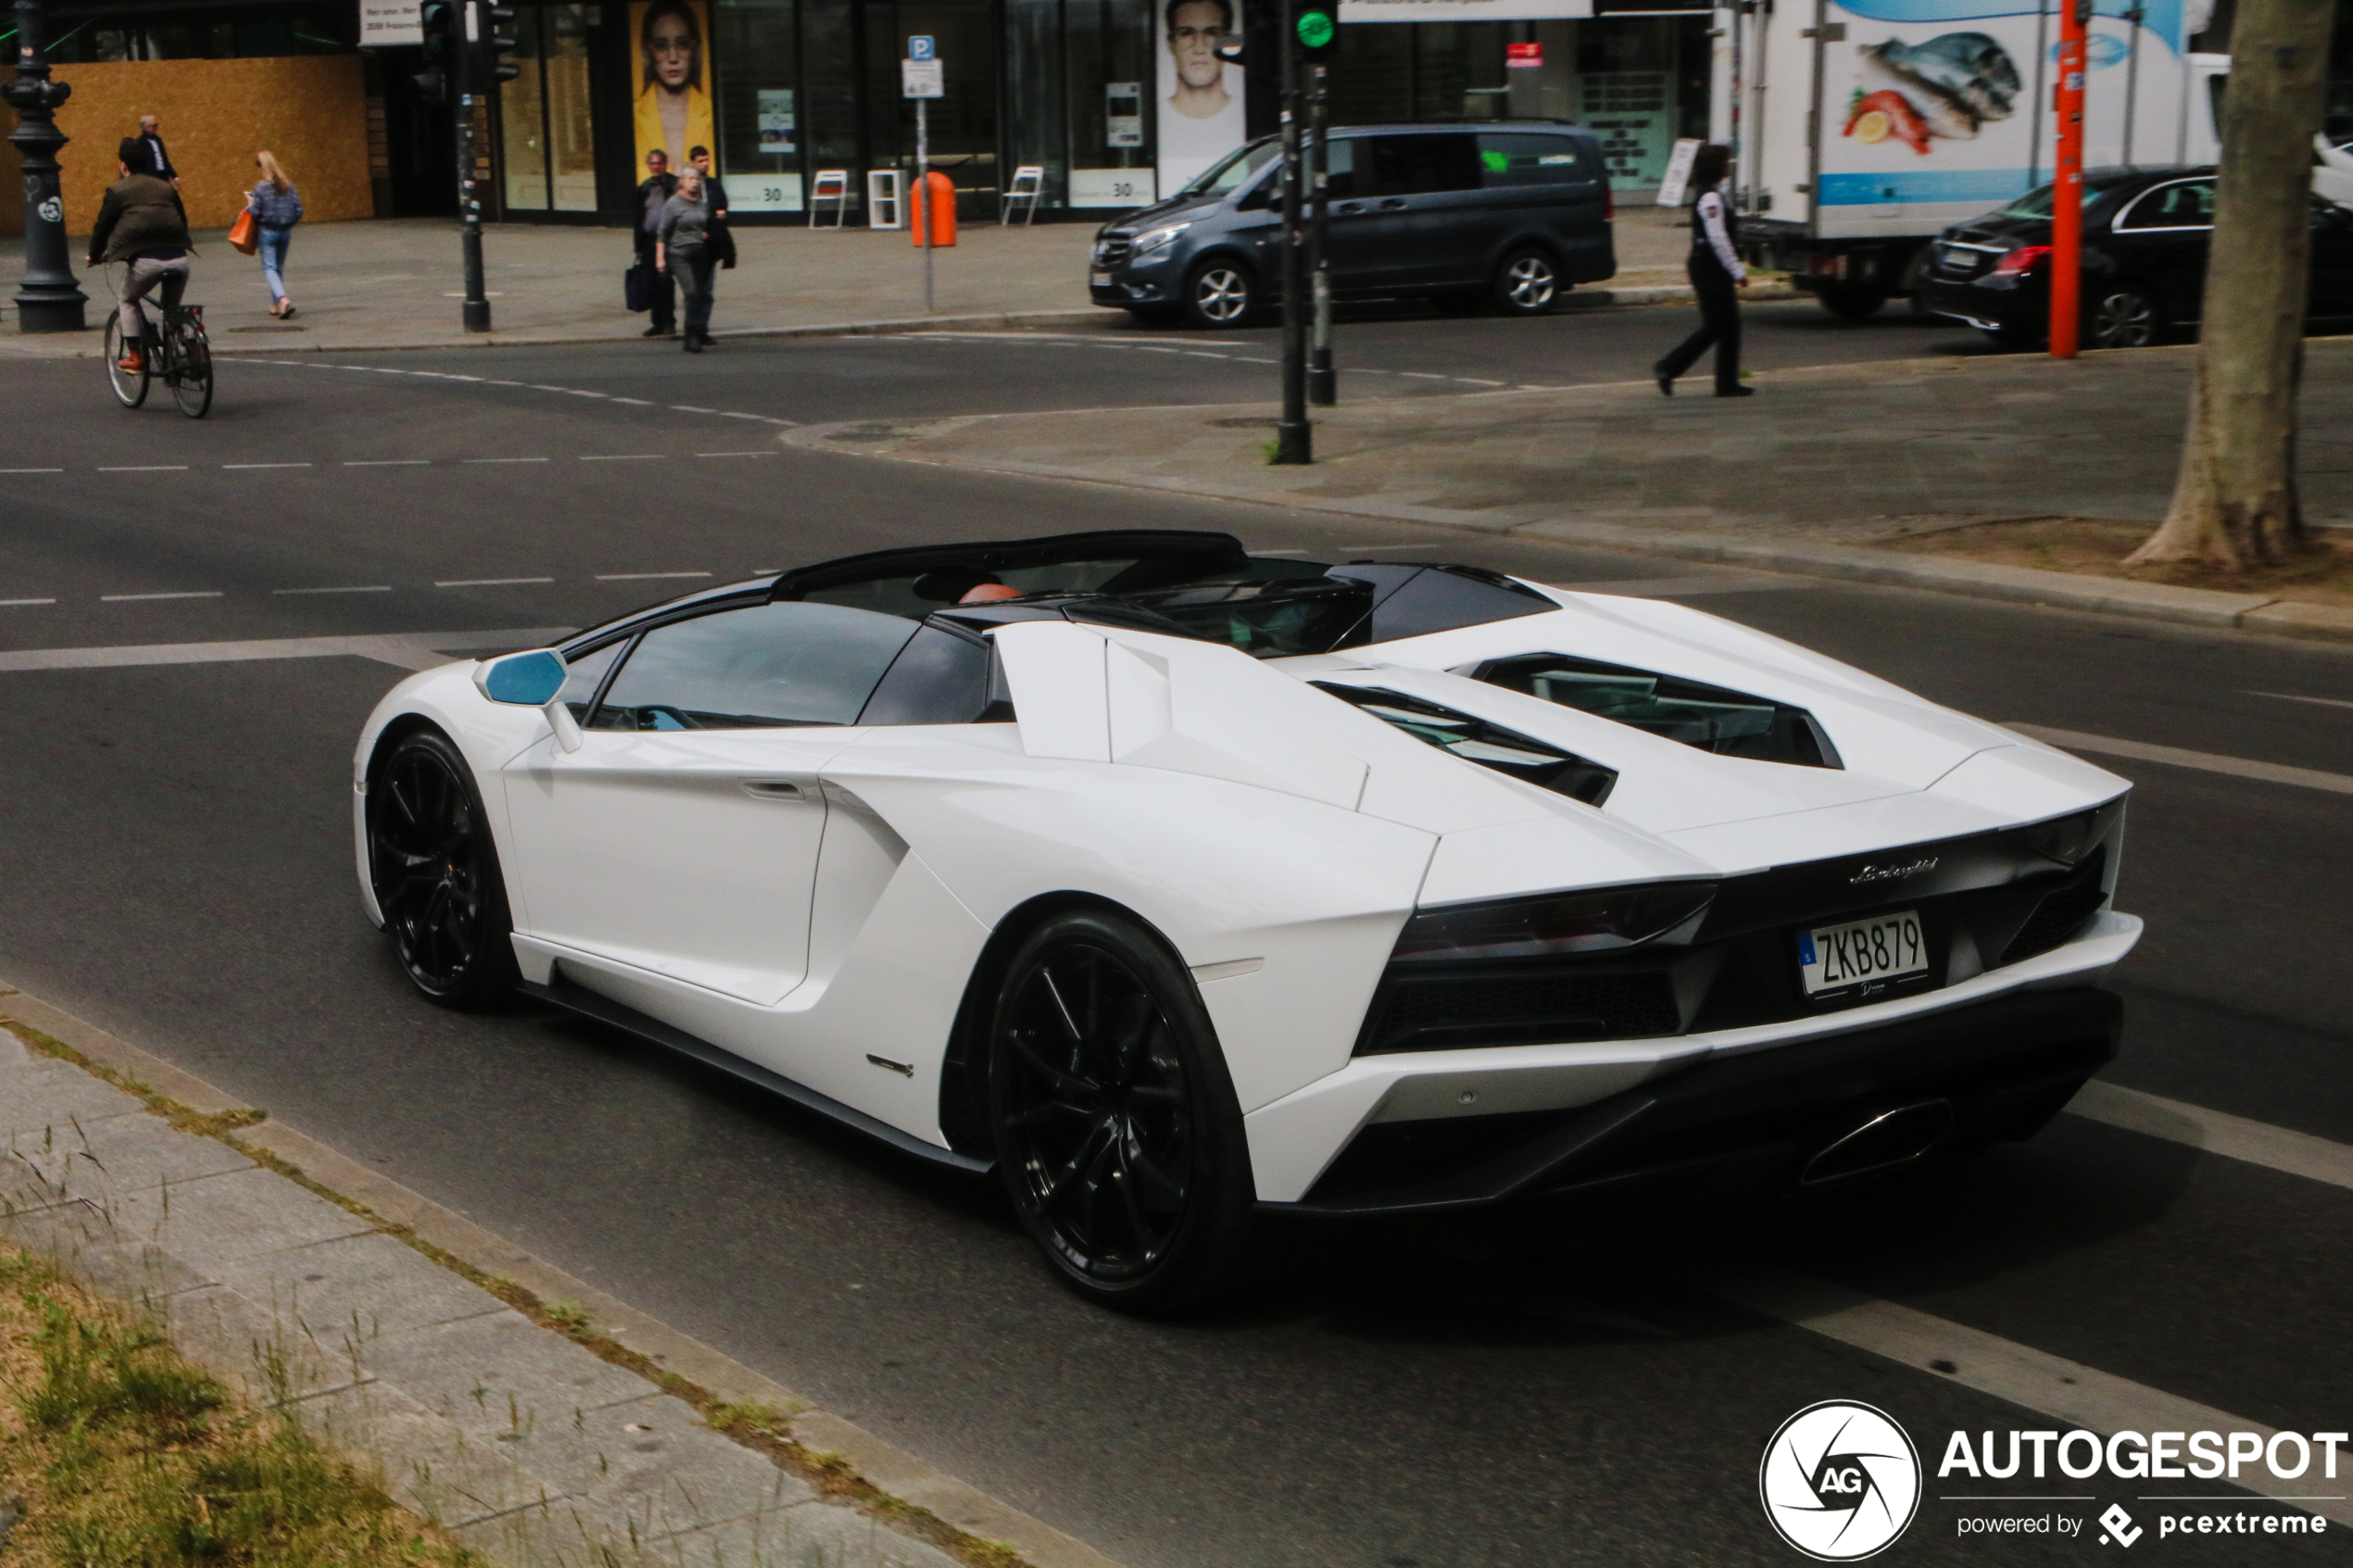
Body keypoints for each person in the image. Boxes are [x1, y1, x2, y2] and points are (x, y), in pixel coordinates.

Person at [1654, 144, 1754, 398]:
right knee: (1718, 325)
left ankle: (1726, 383)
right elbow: (1718, 238)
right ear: (1717, 167)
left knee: (1728, 325)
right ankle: (1669, 366)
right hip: (1709, 267)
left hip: (1709, 265)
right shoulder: (1709, 197)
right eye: (1726, 162)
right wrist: (1737, 270)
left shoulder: (1715, 192)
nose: (1729, 166)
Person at [87, 161, 194, 373]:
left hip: (147, 262)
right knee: (172, 308)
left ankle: (135, 358)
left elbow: (103, 226)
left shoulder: (119, 191)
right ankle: (194, 349)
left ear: (123, 166)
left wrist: (96, 255)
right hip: (180, 259)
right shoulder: (165, 187)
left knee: (127, 299)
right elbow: (182, 219)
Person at [634, 0, 713, 187]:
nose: (673, 58)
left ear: (694, 47)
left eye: (683, 44)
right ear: (648, 50)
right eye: (662, 46)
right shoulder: (633, 114)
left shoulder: (713, 110)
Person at [657, 167, 716, 353]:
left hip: (700, 252)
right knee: (690, 292)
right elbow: (662, 231)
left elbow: (704, 224)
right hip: (678, 253)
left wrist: (707, 233)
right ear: (682, 181)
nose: (695, 182)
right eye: (691, 178)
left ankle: (693, 334)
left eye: (697, 179)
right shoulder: (673, 203)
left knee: (699, 294)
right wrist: (660, 257)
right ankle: (690, 333)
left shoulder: (701, 203)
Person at [245, 151, 305, 319]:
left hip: (267, 231)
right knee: (278, 269)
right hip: (285, 231)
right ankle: (275, 305)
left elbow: (256, 212)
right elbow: (299, 210)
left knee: (269, 268)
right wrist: (289, 223)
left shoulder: (261, 188)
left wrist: (249, 204)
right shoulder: (289, 186)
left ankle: (283, 299)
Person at [1164, 0, 1233, 121]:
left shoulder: (1250, 114)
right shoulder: (1155, 116)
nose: (1199, 48)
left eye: (1212, 33)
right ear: (1171, 44)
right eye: (1186, 33)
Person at [635, 148, 678, 337]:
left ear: (665, 164)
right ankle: (657, 322)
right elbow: (638, 218)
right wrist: (638, 245)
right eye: (652, 163)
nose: (656, 166)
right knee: (651, 281)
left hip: (668, 240)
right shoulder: (644, 187)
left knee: (665, 281)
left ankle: (669, 322)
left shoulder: (675, 184)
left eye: (659, 163)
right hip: (649, 241)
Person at [687, 144, 736, 281]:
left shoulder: (713, 183)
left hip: (711, 236)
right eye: (701, 161)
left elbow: (723, 204)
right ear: (692, 163)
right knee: (694, 282)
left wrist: (722, 213)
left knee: (708, 282)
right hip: (692, 237)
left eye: (707, 160)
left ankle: (705, 301)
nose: (705, 164)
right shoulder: (684, 184)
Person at [118, 115, 176, 184]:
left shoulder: (158, 140)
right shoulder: (139, 143)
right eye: (154, 126)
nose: (156, 128)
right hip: (151, 178)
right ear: (146, 128)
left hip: (163, 177)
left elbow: (165, 160)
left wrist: (174, 176)